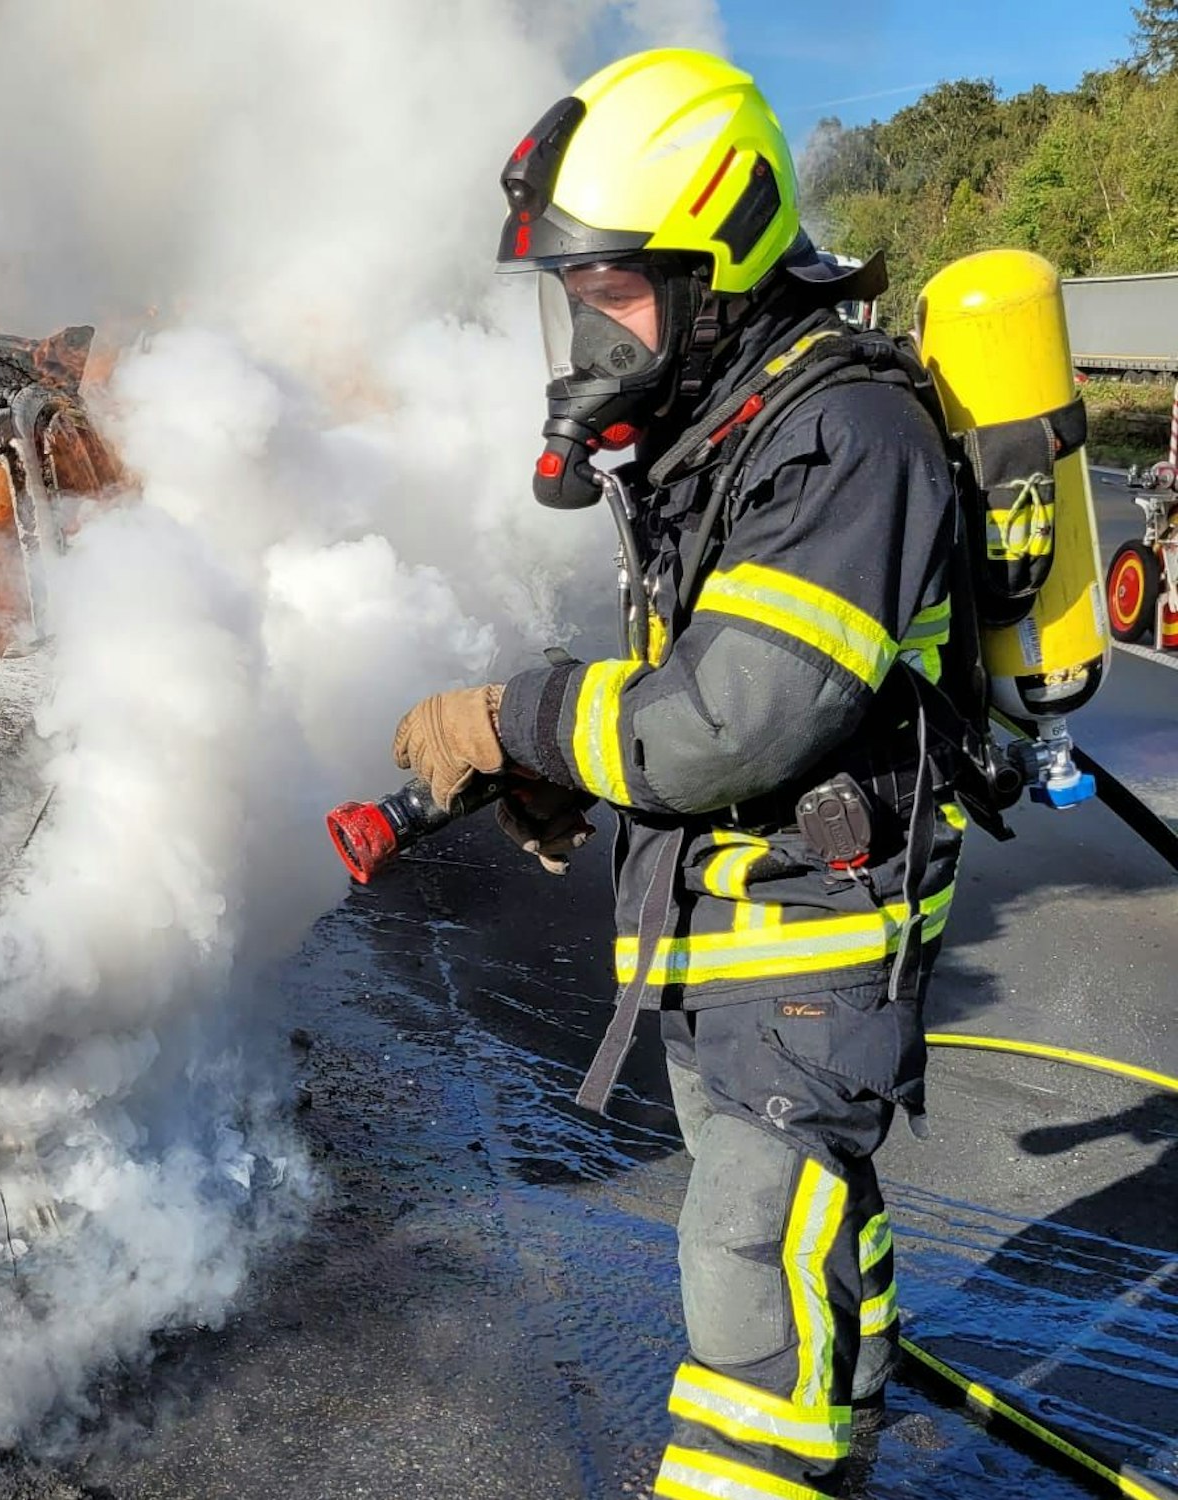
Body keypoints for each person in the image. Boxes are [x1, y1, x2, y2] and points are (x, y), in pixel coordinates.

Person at [390, 49, 970, 1500]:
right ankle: (848, 1397)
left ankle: (782, 1455)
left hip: (812, 930)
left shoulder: (849, 436)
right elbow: (702, 703)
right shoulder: (734, 427)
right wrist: (587, 779)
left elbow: (727, 724)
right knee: (798, 1226)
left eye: (616, 296)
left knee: (744, 1264)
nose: (588, 341)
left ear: (722, 261)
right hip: (734, 918)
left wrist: (518, 721)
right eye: (572, 304)